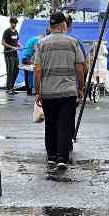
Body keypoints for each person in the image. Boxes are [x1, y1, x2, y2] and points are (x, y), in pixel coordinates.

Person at [33, 13, 87, 171]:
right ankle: (63, 158)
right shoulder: (73, 42)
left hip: (48, 92)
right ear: (64, 25)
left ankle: (51, 157)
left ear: (50, 26)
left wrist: (38, 91)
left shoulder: (41, 44)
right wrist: (80, 88)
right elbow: (80, 67)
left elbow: (37, 70)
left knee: (50, 124)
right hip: (68, 92)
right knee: (65, 124)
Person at [1, 18, 22, 96]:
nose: (14, 25)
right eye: (13, 23)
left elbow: (16, 41)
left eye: (16, 23)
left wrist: (19, 45)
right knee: (10, 71)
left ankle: (12, 87)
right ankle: (8, 89)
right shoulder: (7, 31)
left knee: (16, 70)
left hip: (15, 54)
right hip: (8, 54)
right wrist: (11, 47)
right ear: (10, 23)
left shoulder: (16, 32)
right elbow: (3, 42)